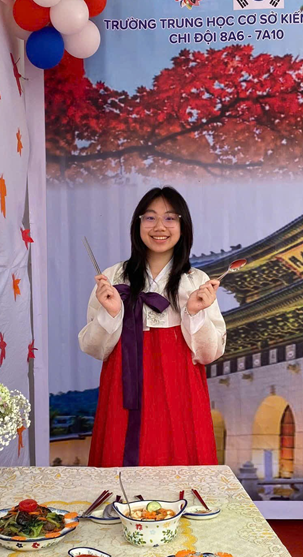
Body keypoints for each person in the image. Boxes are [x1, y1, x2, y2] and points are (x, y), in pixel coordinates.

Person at [79, 186, 226, 467]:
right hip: (124, 385)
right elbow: (93, 348)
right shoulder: (113, 277)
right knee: (121, 464)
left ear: (183, 225)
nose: (159, 227)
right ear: (138, 224)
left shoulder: (197, 281)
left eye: (170, 218)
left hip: (181, 387)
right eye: (150, 218)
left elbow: (209, 354)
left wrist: (195, 312)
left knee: (179, 464)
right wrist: (111, 313)